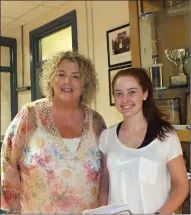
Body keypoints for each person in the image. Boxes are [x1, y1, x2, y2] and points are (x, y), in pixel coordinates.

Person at [1, 51, 106, 214]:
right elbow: (8, 163)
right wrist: (14, 210)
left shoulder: (96, 122)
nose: (67, 81)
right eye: (61, 74)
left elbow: (106, 173)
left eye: (76, 76)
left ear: (85, 83)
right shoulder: (30, 115)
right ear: (51, 79)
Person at [98, 68, 189, 214]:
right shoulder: (106, 137)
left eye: (132, 92)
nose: (125, 99)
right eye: (119, 93)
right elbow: (105, 183)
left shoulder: (166, 136)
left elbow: (181, 185)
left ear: (145, 93)